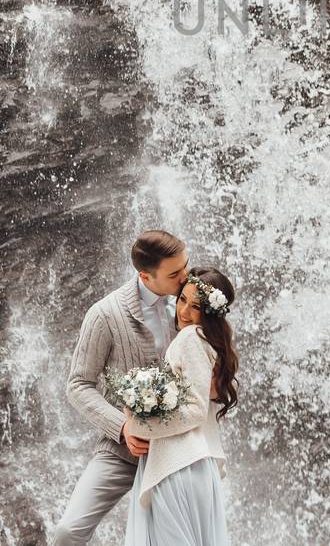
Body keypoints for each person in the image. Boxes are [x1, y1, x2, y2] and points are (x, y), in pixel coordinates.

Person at [48, 230, 189, 546]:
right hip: (122, 451)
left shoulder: (192, 300)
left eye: (186, 266)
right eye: (175, 273)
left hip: (179, 449)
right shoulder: (104, 314)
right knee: (68, 532)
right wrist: (123, 427)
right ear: (145, 276)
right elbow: (78, 384)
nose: (186, 277)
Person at [126, 267, 238, 546]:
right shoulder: (212, 344)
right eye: (182, 299)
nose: (184, 311)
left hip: (178, 467)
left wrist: (138, 425)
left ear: (210, 313)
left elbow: (196, 410)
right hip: (197, 468)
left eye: (196, 305)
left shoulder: (190, 338)